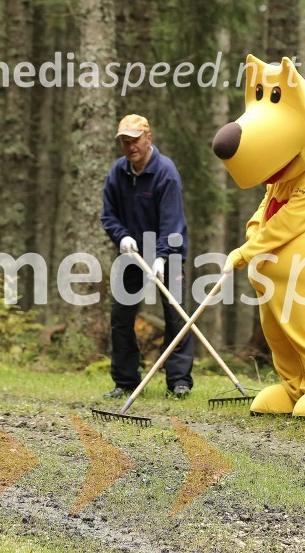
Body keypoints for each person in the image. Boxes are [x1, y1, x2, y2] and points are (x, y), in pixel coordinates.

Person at [100, 114, 194, 399]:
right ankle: (126, 380)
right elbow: (108, 214)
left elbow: (172, 221)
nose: (130, 147)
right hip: (132, 253)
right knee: (121, 316)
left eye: (135, 140)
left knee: (177, 316)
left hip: (169, 252)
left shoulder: (166, 172)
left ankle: (179, 381)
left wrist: (163, 256)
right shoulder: (118, 172)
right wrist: (122, 236)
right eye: (125, 142)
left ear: (148, 138)